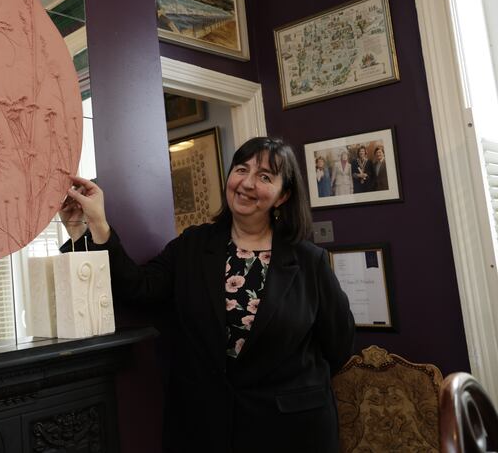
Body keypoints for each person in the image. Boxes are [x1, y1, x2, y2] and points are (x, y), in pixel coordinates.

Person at [59, 137, 355, 452]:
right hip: (205, 428)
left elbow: (339, 346)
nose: (247, 183)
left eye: (265, 176)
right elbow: (138, 288)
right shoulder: (193, 246)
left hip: (290, 430)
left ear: (283, 196)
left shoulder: (309, 261)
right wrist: (94, 226)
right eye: (241, 169)